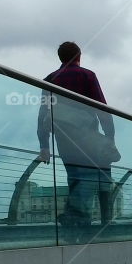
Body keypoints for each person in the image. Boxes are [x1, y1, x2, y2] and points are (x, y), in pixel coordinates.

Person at [36, 41, 117, 231]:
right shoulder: (87, 75)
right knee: (103, 179)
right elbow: (102, 109)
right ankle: (106, 224)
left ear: (60, 58)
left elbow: (42, 116)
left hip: (64, 141)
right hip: (89, 138)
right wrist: (110, 137)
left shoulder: (49, 79)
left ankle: (79, 224)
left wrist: (44, 145)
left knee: (75, 178)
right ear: (79, 56)